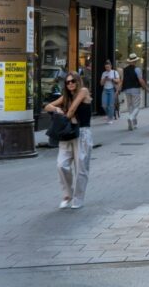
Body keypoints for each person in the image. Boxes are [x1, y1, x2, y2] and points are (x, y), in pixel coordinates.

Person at [45, 71, 93, 210]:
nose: (70, 84)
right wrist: (56, 109)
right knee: (61, 165)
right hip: (67, 133)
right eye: (67, 82)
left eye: (73, 81)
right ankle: (67, 194)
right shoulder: (65, 97)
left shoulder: (83, 91)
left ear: (78, 81)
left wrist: (63, 113)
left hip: (82, 133)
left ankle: (78, 198)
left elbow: (72, 110)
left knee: (81, 168)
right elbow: (47, 106)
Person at [122, 53, 149, 131]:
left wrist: (119, 90)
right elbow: (140, 80)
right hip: (135, 89)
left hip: (127, 90)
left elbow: (123, 80)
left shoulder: (125, 69)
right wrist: (145, 88)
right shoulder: (137, 69)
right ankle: (131, 118)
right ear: (135, 61)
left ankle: (133, 124)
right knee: (136, 107)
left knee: (130, 106)